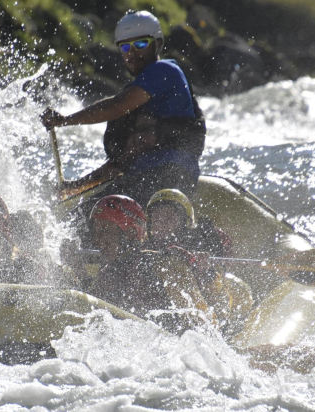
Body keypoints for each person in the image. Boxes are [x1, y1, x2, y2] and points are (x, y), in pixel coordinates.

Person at [41, 10, 206, 206]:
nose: (132, 53)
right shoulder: (137, 103)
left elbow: (116, 105)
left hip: (170, 175)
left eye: (141, 44)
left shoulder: (165, 71)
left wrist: (65, 120)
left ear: (158, 44)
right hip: (141, 177)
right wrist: (73, 187)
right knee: (83, 214)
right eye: (125, 47)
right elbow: (117, 165)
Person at [72, 194, 213, 332]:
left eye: (105, 231)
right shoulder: (108, 273)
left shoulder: (164, 264)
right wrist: (76, 268)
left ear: (131, 233)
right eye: (96, 232)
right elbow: (88, 308)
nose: (98, 240)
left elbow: (201, 324)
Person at [144, 188, 252, 333]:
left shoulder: (201, 245)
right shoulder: (144, 246)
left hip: (206, 315)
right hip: (162, 312)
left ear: (184, 223)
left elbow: (217, 295)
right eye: (156, 219)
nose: (162, 225)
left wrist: (204, 271)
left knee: (240, 288)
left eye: (169, 219)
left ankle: (207, 330)